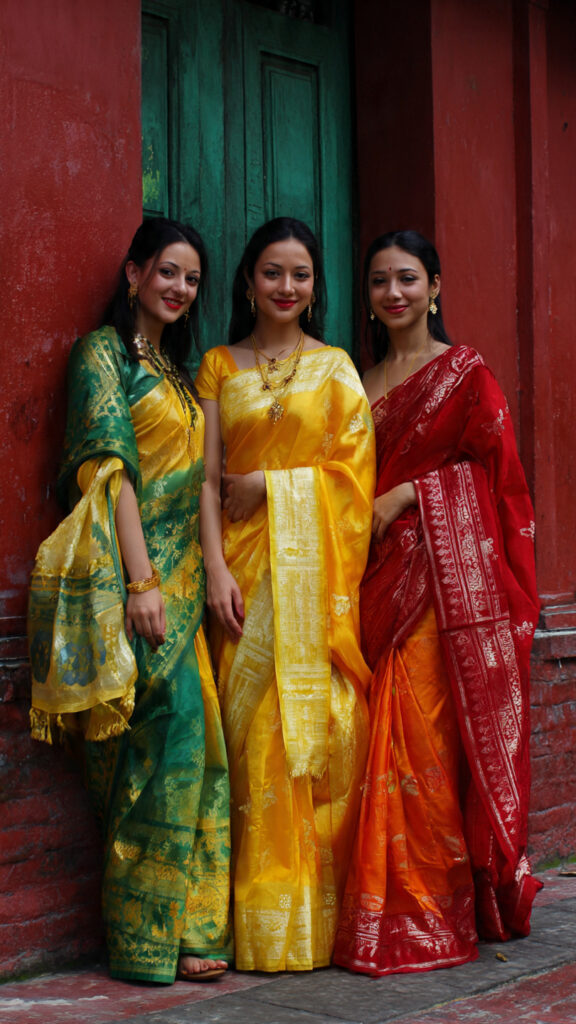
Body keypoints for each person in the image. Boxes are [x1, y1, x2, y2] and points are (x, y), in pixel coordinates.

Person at [28, 218, 231, 984]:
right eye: (168, 273)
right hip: (133, 588)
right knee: (163, 748)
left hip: (185, 595)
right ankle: (144, 937)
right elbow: (107, 470)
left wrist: (211, 574)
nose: (179, 289)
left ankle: (192, 925)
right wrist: (142, 583)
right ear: (133, 272)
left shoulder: (179, 374)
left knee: (200, 752)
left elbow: (204, 486)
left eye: (191, 280)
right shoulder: (102, 357)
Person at [333, 229, 541, 976]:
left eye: (409, 280)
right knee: (369, 741)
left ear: (436, 288)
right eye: (381, 282)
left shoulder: (465, 375)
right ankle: (370, 905)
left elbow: (504, 486)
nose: (394, 294)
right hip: (368, 582)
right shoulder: (353, 381)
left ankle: (428, 909)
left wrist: (409, 494)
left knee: (419, 736)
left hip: (439, 592)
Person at [195, 217, 376, 972]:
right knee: (247, 746)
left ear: (314, 287)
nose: (286, 287)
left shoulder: (335, 367)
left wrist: (272, 484)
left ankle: (312, 925)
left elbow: (354, 481)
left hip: (313, 582)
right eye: (273, 272)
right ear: (247, 282)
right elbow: (205, 481)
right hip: (240, 575)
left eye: (300, 274)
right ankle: (258, 925)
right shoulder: (217, 365)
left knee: (309, 737)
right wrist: (213, 570)